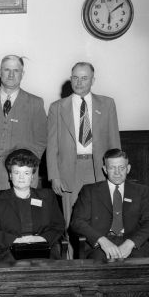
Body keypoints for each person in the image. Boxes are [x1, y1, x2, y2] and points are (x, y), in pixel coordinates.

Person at [0, 55, 47, 220]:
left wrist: (23, 166)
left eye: (16, 70)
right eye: (7, 69)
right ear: (0, 72)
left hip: (18, 177)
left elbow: (41, 140)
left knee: (18, 225)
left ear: (22, 73)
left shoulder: (35, 103)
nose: (11, 75)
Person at [47, 62, 121, 227]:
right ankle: (72, 254)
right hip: (69, 172)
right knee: (72, 223)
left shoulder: (107, 104)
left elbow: (114, 142)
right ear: (70, 79)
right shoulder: (57, 108)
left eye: (84, 78)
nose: (79, 82)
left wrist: (116, 171)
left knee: (101, 221)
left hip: (100, 170)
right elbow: (52, 146)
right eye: (75, 78)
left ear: (93, 80)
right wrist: (54, 176)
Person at [70, 149, 149, 261]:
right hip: (100, 246)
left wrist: (130, 243)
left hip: (133, 243)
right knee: (101, 269)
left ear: (128, 168)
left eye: (121, 168)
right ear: (105, 170)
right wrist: (102, 241)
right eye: (112, 168)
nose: (117, 172)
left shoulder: (140, 191)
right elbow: (77, 222)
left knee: (140, 270)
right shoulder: (90, 191)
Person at [0, 149, 65, 262]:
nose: (21, 177)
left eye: (26, 173)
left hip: (43, 250)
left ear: (32, 176)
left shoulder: (47, 196)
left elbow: (58, 226)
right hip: (9, 251)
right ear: (10, 175)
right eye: (16, 173)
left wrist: (39, 238)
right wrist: (17, 240)